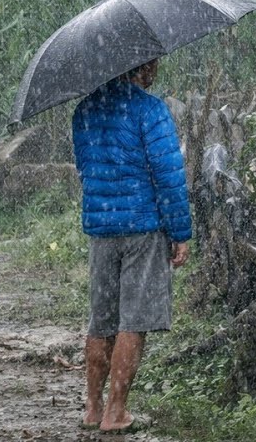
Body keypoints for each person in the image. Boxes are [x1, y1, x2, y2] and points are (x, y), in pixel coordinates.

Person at [72, 58, 191, 432]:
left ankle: (91, 408)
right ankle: (116, 412)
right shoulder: (150, 109)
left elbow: (85, 165)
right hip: (142, 229)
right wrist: (180, 231)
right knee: (133, 321)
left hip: (102, 229)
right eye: (152, 64)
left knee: (101, 321)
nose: (156, 69)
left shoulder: (85, 109)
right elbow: (168, 175)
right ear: (143, 67)